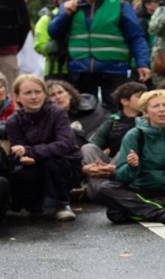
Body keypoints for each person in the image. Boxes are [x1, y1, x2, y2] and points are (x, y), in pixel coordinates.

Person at [93, 89, 165, 224]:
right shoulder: (135, 135)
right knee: (104, 189)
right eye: (156, 106)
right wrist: (132, 166)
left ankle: (132, 211)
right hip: (140, 191)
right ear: (145, 112)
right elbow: (120, 175)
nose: (161, 110)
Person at [48, 0, 152, 112]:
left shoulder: (120, 5)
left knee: (116, 111)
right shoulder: (69, 6)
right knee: (84, 112)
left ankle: (116, 130)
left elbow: (136, 37)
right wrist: (64, 14)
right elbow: (53, 32)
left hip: (114, 70)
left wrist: (142, 63)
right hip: (81, 71)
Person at [5, 75, 82, 221]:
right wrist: (21, 157)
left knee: (52, 162)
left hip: (63, 162)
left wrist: (30, 151)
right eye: (28, 93)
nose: (34, 97)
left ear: (44, 94)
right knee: (21, 173)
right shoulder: (13, 121)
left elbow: (64, 145)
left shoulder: (58, 113)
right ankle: (33, 204)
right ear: (17, 97)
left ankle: (62, 204)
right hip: (33, 163)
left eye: (38, 92)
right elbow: (17, 148)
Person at [81, 81, 147, 200]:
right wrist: (100, 166)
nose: (144, 99)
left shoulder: (149, 119)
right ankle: (100, 188)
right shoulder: (113, 121)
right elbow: (95, 143)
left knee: (126, 146)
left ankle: (97, 191)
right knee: (88, 148)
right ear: (124, 101)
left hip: (133, 164)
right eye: (139, 96)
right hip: (112, 165)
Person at [46, 79, 110, 145]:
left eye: (60, 92)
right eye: (52, 95)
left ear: (69, 94)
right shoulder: (46, 119)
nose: (58, 97)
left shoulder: (92, 109)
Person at [0, 0, 30, 87]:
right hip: (8, 51)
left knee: (8, 90)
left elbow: (24, 25)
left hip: (7, 52)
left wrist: (13, 45)